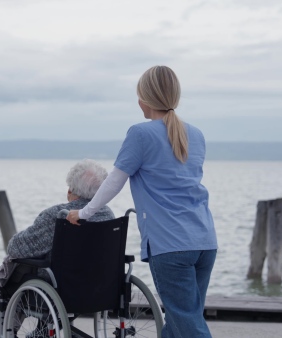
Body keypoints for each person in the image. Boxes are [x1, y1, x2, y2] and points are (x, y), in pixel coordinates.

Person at [67, 65, 218, 338]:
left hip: (171, 245)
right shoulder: (195, 134)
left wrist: (84, 213)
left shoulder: (140, 134)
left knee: (190, 326)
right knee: (178, 322)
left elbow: (114, 181)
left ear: (144, 99)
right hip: (205, 242)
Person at [0, 159, 115, 288]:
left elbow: (15, 249)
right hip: (100, 288)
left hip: (61, 288)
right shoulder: (108, 214)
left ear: (71, 189)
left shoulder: (58, 215)